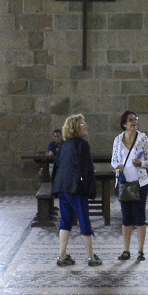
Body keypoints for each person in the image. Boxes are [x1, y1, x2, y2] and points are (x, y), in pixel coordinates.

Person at [52, 112, 98, 266]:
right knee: (84, 220)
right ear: (75, 128)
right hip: (76, 189)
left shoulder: (64, 145)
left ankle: (62, 255)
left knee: (65, 220)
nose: (86, 126)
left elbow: (58, 165)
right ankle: (91, 257)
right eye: (82, 124)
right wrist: (91, 189)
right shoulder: (82, 145)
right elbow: (87, 170)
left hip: (63, 188)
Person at [111, 109, 148, 261]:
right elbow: (113, 160)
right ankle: (126, 251)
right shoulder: (117, 140)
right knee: (126, 218)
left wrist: (140, 163)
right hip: (124, 183)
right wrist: (117, 166)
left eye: (135, 119)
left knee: (139, 217)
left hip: (140, 183)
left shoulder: (143, 138)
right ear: (124, 124)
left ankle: (141, 251)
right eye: (130, 120)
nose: (134, 122)